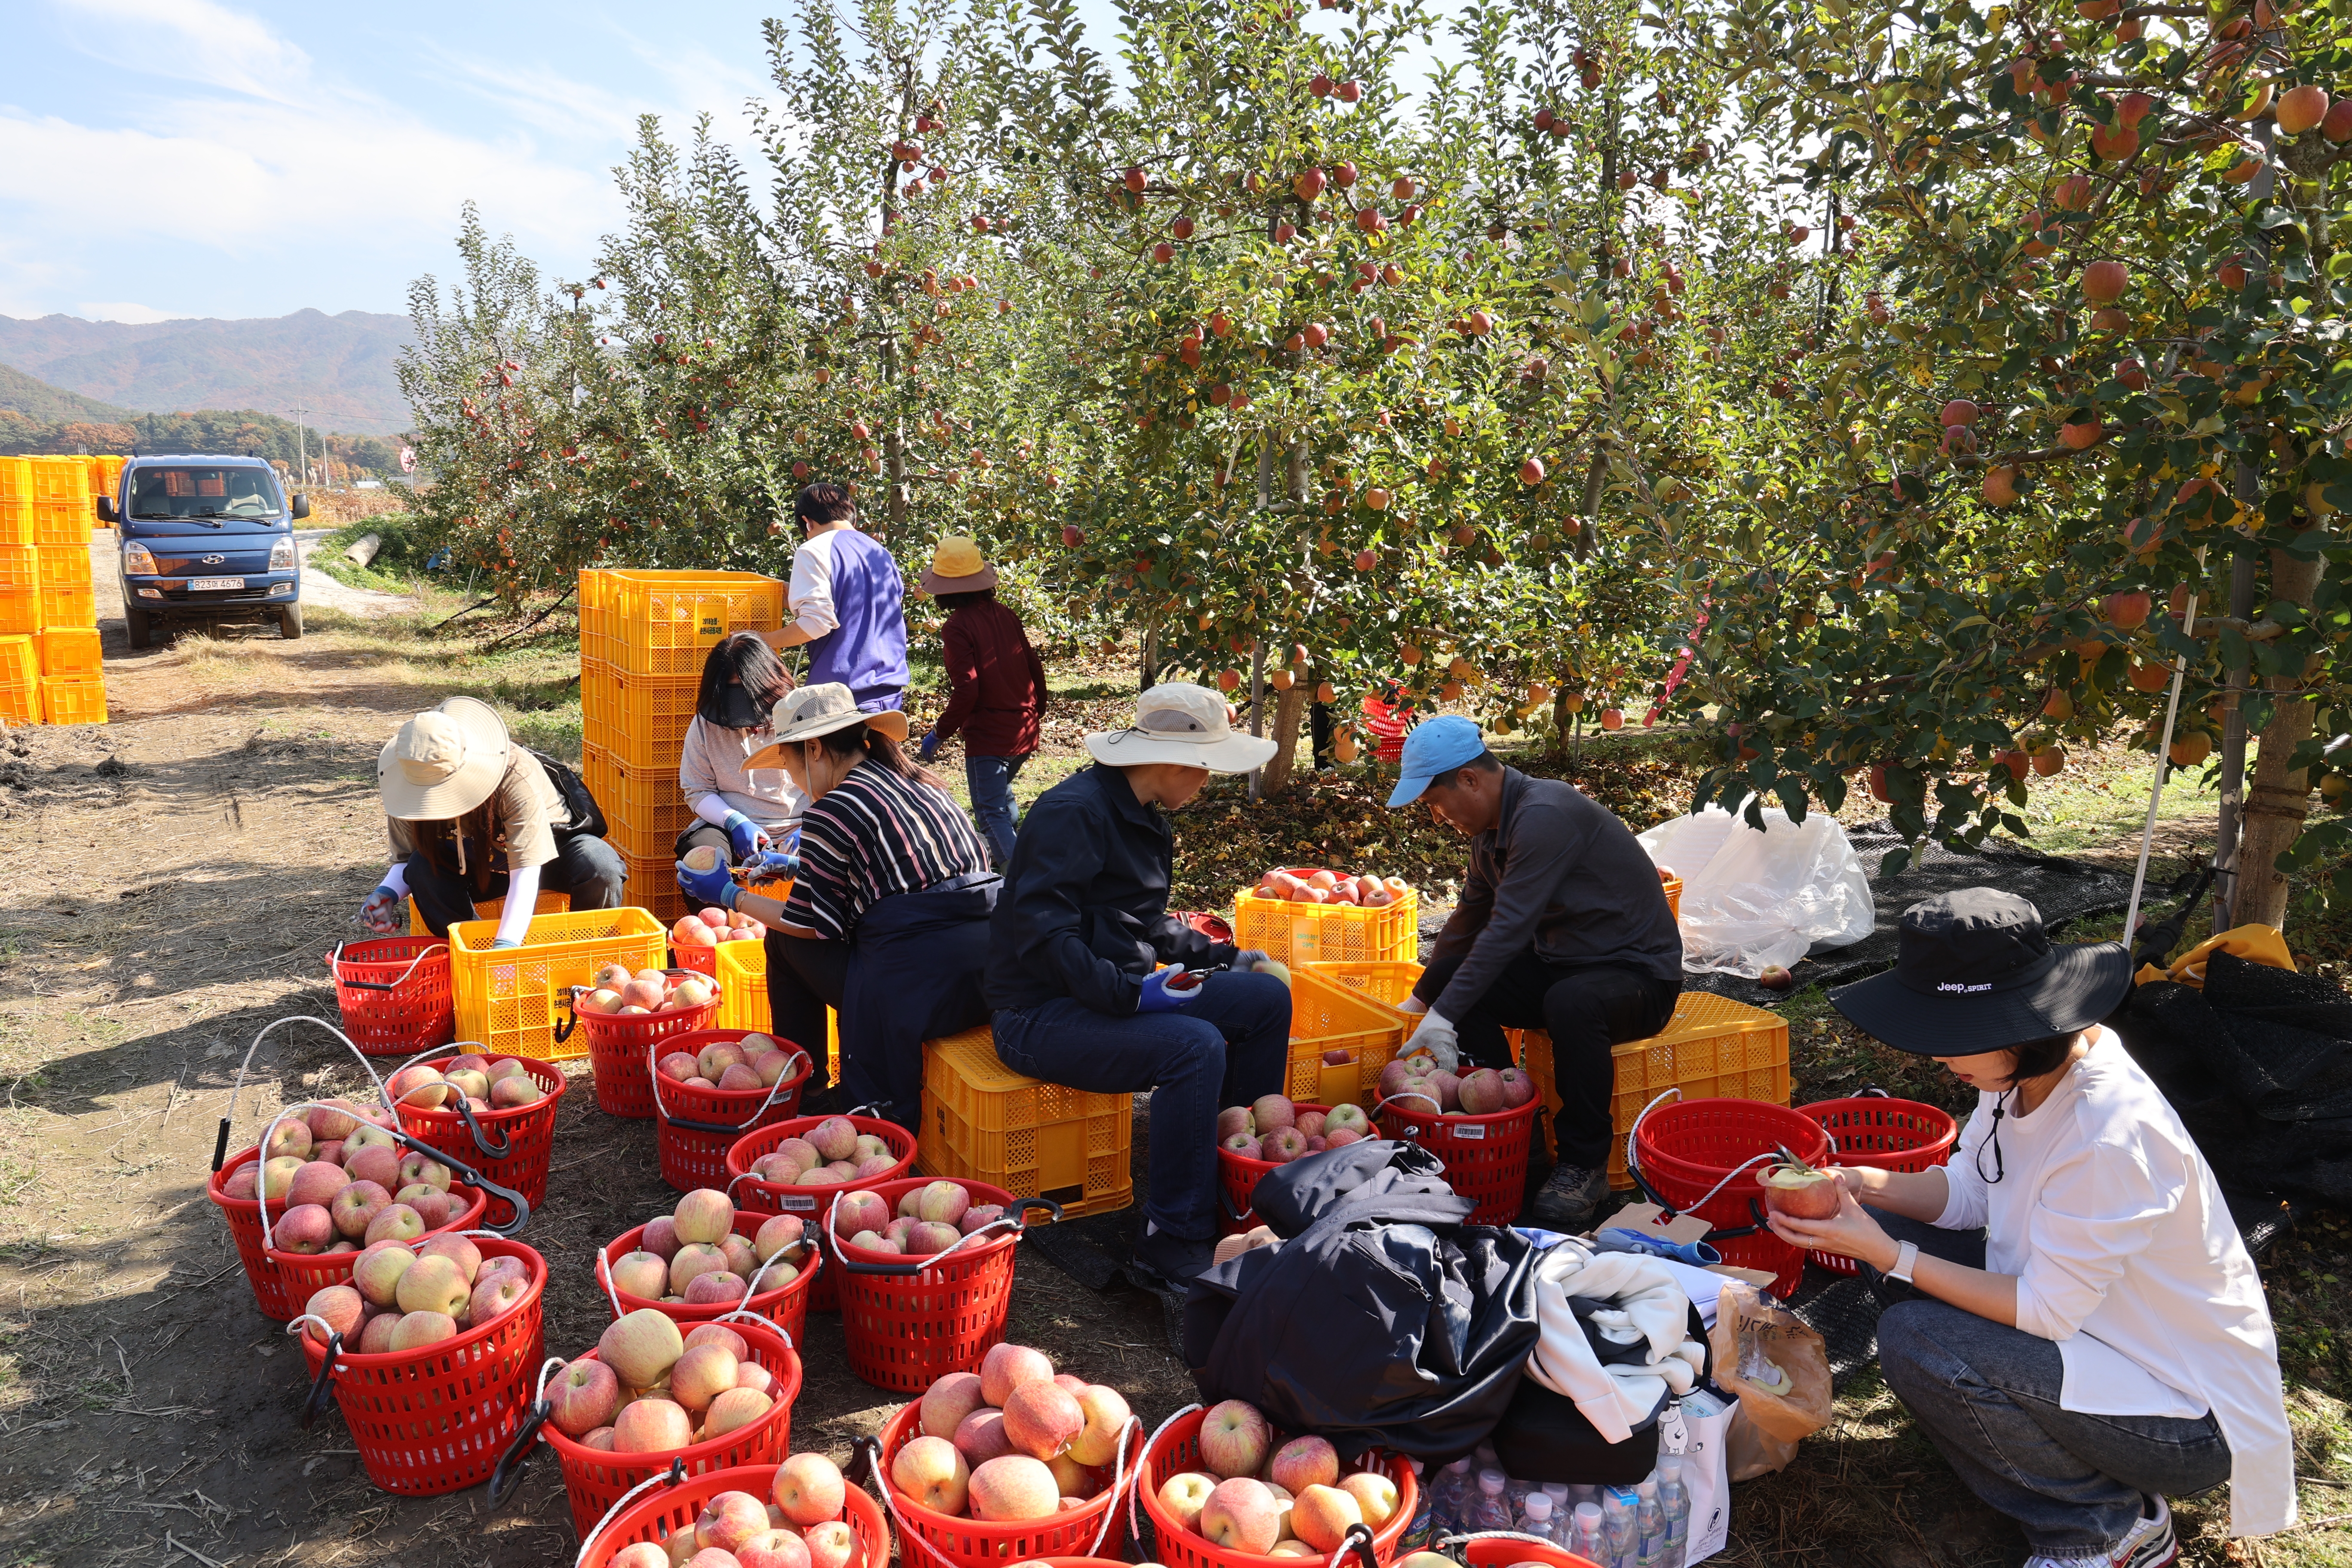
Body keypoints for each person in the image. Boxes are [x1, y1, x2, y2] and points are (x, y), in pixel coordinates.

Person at [1770, 889, 2294, 1567]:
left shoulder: (2106, 1135)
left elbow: (2045, 1309)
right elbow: (1967, 1193)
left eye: (1952, 1036)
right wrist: (1855, 1184)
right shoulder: (2022, 1072)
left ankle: (2105, 1527)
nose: (1939, 1057)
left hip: (2185, 1418)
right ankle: (2022, 1428)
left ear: (2021, 1025)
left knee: (1916, 1336)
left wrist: (1886, 1254)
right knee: (1887, 1221)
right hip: (2094, 1332)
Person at [986, 683, 1291, 1286]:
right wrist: (1132, 995)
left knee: (1265, 999)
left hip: (1106, 991)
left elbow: (1143, 920)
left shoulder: (1141, 812)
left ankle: (1238, 1174)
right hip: (1038, 1015)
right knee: (1194, 1046)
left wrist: (1227, 958)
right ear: (1176, 763)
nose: (1206, 785)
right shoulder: (1072, 814)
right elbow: (1045, 938)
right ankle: (1171, 1236)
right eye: (1205, 772)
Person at [1382, 716, 1682, 1231]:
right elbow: (1466, 924)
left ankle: (1583, 1164)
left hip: (1637, 978)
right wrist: (1421, 1003)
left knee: (1572, 1002)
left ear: (1471, 780)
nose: (1436, 817)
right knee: (1460, 982)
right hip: (1563, 965)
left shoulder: (1546, 814)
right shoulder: (1489, 838)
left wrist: (1444, 1014)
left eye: (1435, 803)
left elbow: (1508, 927)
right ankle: (1519, 1137)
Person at [676, 683, 995, 1125]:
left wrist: (731, 896)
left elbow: (806, 925)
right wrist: (795, 866)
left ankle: (806, 1092)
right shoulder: (923, 783)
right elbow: (901, 868)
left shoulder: (835, 809)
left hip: (923, 988)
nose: (788, 776)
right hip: (991, 976)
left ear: (815, 750)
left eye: (786, 760)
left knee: (785, 946)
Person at [359, 696, 626, 946]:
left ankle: (585, 951)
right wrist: (387, 893)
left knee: (599, 864)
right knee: (421, 868)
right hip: (475, 867)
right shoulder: (407, 781)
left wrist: (506, 944)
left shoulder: (514, 772)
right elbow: (407, 858)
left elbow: (527, 867)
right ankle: (472, 953)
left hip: (545, 857)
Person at [911, 536, 1047, 867]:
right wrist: (1035, 713)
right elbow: (1033, 666)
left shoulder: (957, 626)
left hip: (990, 734)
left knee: (989, 814)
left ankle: (1020, 884)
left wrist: (939, 733)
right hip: (1024, 728)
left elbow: (967, 689)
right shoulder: (1005, 614)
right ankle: (1009, 854)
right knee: (999, 796)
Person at [761, 482, 909, 714]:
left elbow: (817, 624)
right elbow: (865, 610)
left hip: (839, 697)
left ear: (807, 522)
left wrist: (762, 640)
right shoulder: (880, 552)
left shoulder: (813, 549)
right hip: (889, 692)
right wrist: (797, 601)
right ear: (852, 517)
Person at [677, 632, 805, 869]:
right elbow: (698, 789)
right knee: (702, 856)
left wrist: (814, 826)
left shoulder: (803, 718)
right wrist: (735, 822)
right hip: (729, 826)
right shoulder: (706, 724)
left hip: (801, 824)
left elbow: (835, 785)